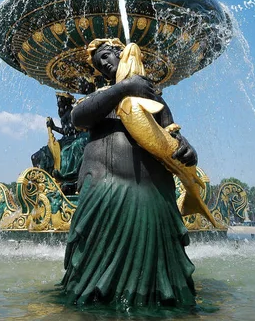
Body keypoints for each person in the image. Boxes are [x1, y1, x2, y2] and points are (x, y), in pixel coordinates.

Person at [61, 38, 197, 309]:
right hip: (104, 187)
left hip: (151, 190)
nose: (103, 62)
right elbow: (79, 117)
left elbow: (173, 134)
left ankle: (154, 301)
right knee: (96, 255)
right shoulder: (98, 97)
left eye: (108, 54)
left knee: (155, 257)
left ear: (122, 54)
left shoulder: (153, 97)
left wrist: (188, 149)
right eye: (99, 60)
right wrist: (124, 87)